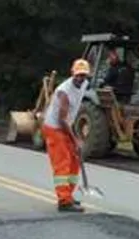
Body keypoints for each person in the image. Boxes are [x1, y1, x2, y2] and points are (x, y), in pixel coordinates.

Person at [41, 58, 90, 212]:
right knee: (62, 162)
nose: (80, 78)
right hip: (54, 127)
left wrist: (75, 138)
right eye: (78, 75)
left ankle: (68, 195)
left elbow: (71, 115)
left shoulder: (84, 85)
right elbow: (62, 119)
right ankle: (64, 201)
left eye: (83, 75)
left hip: (65, 125)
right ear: (72, 74)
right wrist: (75, 139)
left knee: (74, 160)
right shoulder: (64, 91)